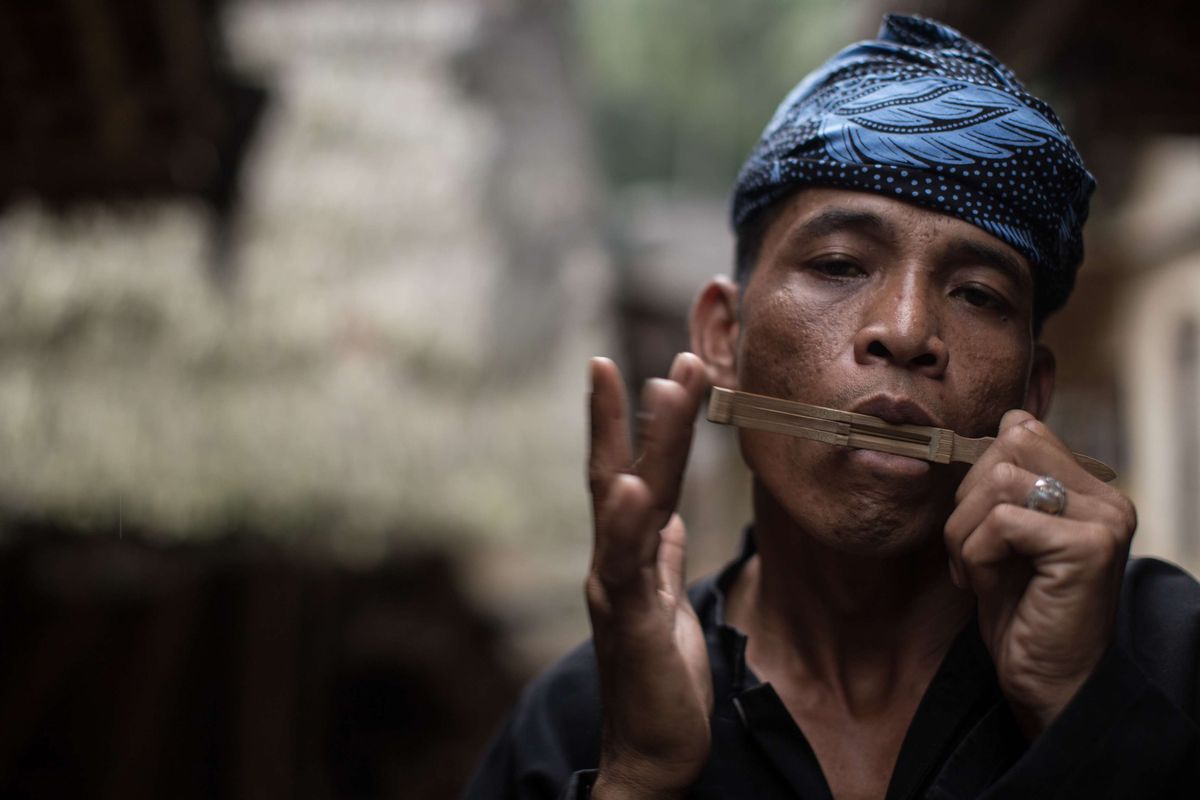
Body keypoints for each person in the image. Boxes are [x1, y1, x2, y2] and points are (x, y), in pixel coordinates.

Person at [464, 14, 1200, 799]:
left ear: (1032, 393)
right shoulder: (584, 718)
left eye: (978, 293)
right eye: (841, 263)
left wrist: (1085, 713)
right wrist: (639, 779)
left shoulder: (1166, 652)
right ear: (723, 336)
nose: (908, 331)